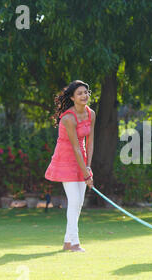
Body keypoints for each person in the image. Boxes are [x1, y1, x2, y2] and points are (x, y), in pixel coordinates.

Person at [45, 80, 96, 252]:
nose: (84, 96)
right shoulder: (68, 118)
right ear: (73, 98)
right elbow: (74, 147)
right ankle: (75, 243)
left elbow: (90, 143)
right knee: (74, 200)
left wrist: (88, 168)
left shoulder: (91, 114)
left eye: (86, 92)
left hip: (81, 157)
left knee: (79, 202)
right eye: (80, 93)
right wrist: (86, 174)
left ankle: (67, 241)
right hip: (65, 158)